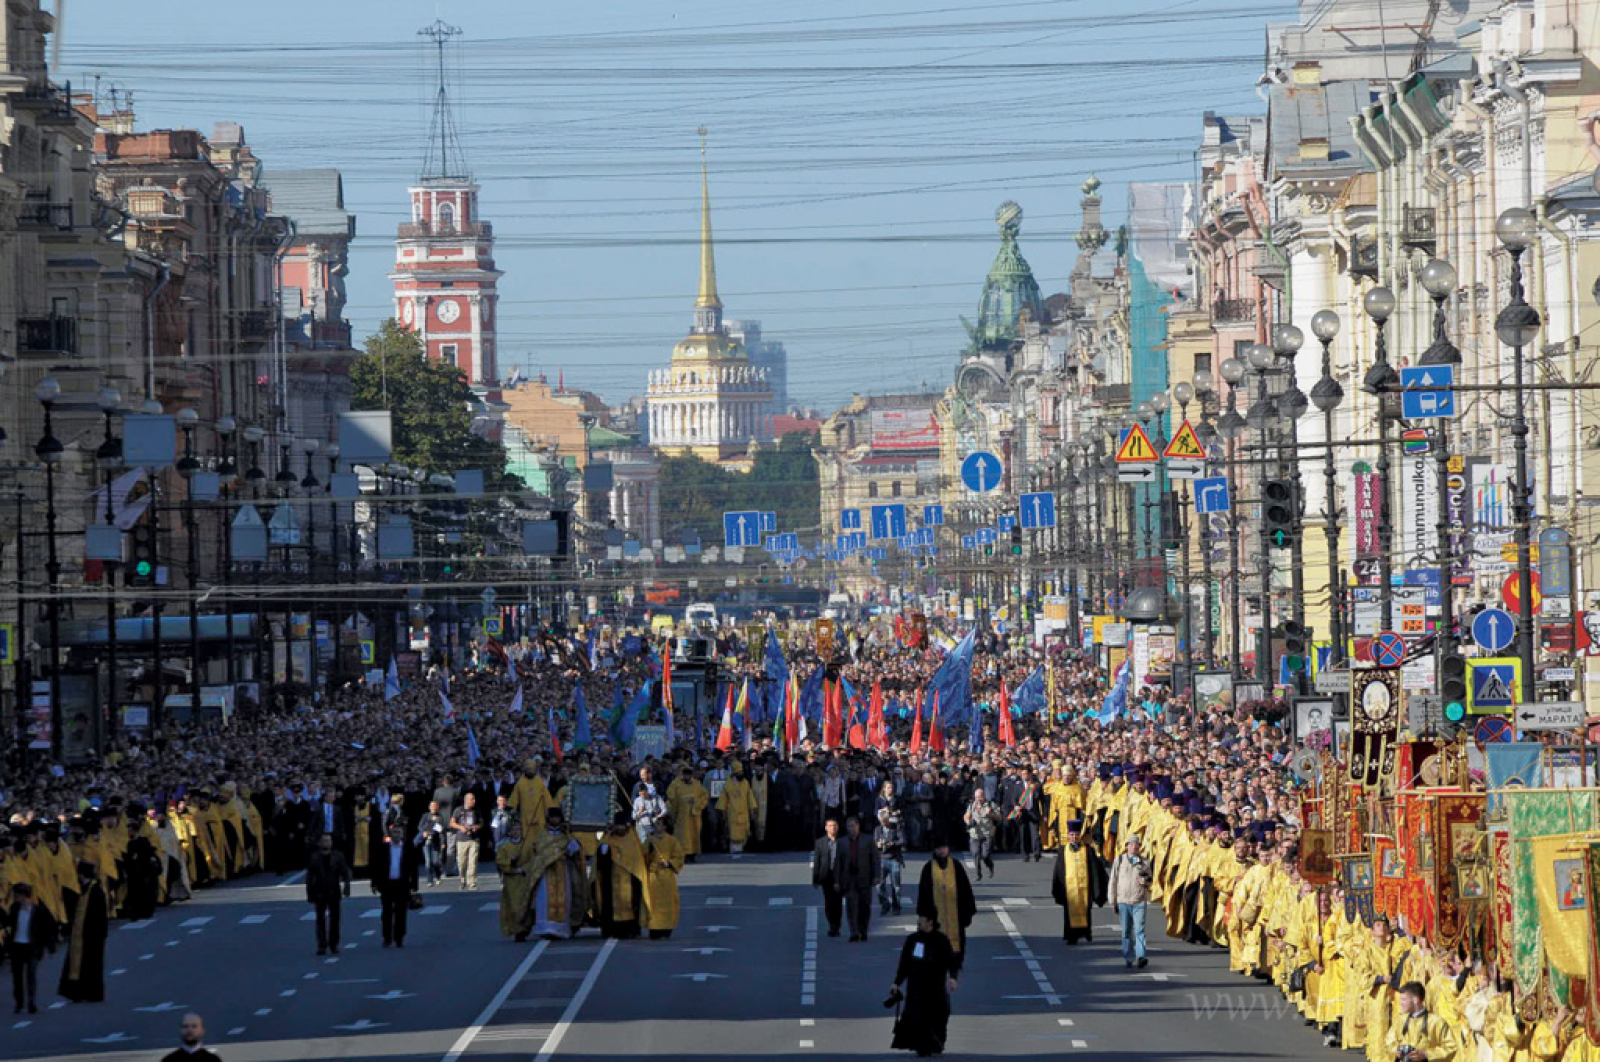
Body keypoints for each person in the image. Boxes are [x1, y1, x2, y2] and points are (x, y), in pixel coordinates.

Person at [889, 912, 959, 1058]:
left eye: (922, 919)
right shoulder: (913, 940)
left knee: (940, 1014)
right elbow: (904, 963)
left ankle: (938, 1041)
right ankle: (922, 1045)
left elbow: (951, 960)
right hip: (916, 986)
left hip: (936, 986)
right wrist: (897, 982)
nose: (919, 922)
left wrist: (952, 977)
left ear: (930, 922)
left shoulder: (941, 940)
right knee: (918, 1016)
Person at [916, 836, 975, 966]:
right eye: (939, 848)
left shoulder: (956, 866)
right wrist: (923, 914)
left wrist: (967, 912)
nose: (942, 851)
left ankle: (954, 969)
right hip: (935, 917)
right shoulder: (928, 868)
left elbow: (965, 890)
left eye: (944, 848)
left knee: (956, 948)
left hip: (955, 915)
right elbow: (923, 893)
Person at [1051, 819, 1107, 944]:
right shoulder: (1063, 851)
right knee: (1069, 912)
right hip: (1069, 888)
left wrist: (1097, 888)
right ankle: (1071, 936)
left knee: (1086, 911)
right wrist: (1058, 888)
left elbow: (1094, 870)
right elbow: (1059, 870)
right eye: (1072, 835)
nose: (1074, 837)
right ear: (1068, 836)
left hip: (1084, 887)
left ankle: (1086, 933)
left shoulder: (1087, 850)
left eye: (1076, 835)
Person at [59, 859, 108, 1003]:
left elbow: (100, 917)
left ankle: (93, 993)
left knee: (91, 965)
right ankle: (77, 992)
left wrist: (99, 935)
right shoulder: (83, 890)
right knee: (79, 964)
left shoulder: (96, 891)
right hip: (80, 935)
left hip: (92, 936)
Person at [371, 803, 419, 949]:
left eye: (399, 832)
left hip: (402, 884)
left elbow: (413, 868)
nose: (397, 835)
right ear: (391, 834)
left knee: (400, 912)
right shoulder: (384, 848)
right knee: (386, 912)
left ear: (402, 834)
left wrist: (414, 885)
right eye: (395, 832)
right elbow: (377, 867)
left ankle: (399, 937)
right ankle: (387, 937)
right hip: (386, 884)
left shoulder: (407, 849)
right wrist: (374, 883)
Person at [595, 810, 647, 939]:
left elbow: (637, 860)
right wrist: (603, 851)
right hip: (611, 878)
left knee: (631, 902)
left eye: (622, 825)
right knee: (609, 903)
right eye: (617, 825)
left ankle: (630, 929)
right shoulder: (608, 839)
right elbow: (600, 863)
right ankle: (610, 929)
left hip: (629, 878)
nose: (620, 828)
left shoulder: (632, 840)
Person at [1108, 834, 1153, 969]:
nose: (1134, 846)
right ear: (1127, 846)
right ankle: (1128, 956)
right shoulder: (1120, 860)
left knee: (1140, 930)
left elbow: (1150, 880)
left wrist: (1145, 882)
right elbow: (1113, 880)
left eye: (1136, 844)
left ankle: (1141, 957)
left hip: (1139, 901)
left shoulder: (1144, 862)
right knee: (1126, 931)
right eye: (1131, 844)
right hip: (1123, 901)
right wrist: (1112, 899)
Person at [305, 832, 352, 956]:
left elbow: (345, 873)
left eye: (328, 841)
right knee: (320, 920)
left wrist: (346, 888)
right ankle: (321, 944)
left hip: (334, 891)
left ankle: (334, 944)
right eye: (324, 841)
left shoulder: (338, 856)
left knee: (335, 920)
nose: (326, 843)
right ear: (319, 843)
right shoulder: (314, 858)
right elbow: (310, 877)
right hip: (319, 892)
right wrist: (310, 893)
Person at [1385, 981, 1455, 1061]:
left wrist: (1426, 1054)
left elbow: (1451, 1047)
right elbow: (1389, 1041)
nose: (1401, 1003)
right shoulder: (1401, 1020)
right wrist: (1396, 1050)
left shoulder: (1436, 1022)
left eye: (1404, 999)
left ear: (1416, 999)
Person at [6, 883, 47, 1014]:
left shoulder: (37, 910)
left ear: (24, 896)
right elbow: (8, 922)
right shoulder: (14, 909)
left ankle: (31, 1002)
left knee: (31, 975)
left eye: (17, 896)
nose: (16, 899)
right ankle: (19, 1002)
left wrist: (43, 947)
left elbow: (42, 930)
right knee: (17, 977)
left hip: (31, 947)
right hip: (17, 946)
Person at [839, 815, 880, 942]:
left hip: (864, 878)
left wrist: (876, 875)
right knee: (851, 906)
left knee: (864, 906)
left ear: (858, 826)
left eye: (853, 825)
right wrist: (837, 880)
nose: (851, 828)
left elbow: (875, 859)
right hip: (849, 878)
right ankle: (854, 932)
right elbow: (838, 863)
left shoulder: (867, 840)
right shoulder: (842, 842)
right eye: (848, 826)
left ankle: (863, 930)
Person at [644, 818, 685, 939]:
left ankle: (667, 928)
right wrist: (649, 849)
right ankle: (654, 927)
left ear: (665, 827)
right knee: (653, 902)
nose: (657, 826)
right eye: (655, 824)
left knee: (668, 902)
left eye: (659, 824)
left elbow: (679, 856)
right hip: (653, 875)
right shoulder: (650, 840)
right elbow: (643, 856)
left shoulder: (672, 841)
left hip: (667, 876)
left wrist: (670, 863)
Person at [666, 767, 709, 863]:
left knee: (694, 835)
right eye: (684, 774)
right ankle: (683, 855)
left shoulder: (697, 784)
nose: (686, 777)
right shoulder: (676, 784)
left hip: (694, 815)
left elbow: (704, 796)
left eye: (688, 775)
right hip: (682, 816)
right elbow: (670, 795)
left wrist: (697, 803)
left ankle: (693, 854)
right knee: (682, 836)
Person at [812, 817, 845, 938]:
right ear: (826, 828)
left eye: (835, 825)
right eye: (830, 826)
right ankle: (832, 924)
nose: (833, 828)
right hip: (827, 876)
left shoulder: (843, 842)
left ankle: (836, 926)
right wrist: (815, 879)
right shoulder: (820, 843)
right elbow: (817, 862)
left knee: (838, 902)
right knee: (829, 902)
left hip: (840, 876)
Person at [876, 781, 905, 915]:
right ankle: (884, 904)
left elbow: (903, 840)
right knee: (879, 885)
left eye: (885, 819)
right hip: (881, 859)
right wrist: (878, 844)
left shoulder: (896, 827)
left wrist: (892, 843)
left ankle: (896, 906)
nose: (883, 821)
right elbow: (874, 843)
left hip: (894, 858)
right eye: (882, 819)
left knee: (896, 886)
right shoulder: (877, 829)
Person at [716, 762, 758, 853]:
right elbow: (723, 797)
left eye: (741, 771)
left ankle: (742, 847)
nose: (741, 773)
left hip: (744, 811)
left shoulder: (745, 783)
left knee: (744, 829)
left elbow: (749, 796)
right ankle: (734, 849)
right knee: (733, 830)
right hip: (732, 812)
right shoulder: (728, 783)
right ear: (734, 773)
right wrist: (722, 810)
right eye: (739, 772)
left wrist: (753, 808)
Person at [961, 787, 999, 880]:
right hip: (975, 834)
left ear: (984, 796)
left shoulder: (991, 804)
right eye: (977, 797)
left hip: (987, 833)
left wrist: (990, 814)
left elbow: (999, 817)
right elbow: (966, 816)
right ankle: (978, 874)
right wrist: (969, 822)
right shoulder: (972, 805)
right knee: (976, 853)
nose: (978, 799)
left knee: (985, 855)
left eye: (980, 797)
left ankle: (990, 866)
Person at [449, 792, 482, 891]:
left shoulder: (477, 810)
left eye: (474, 799)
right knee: (462, 861)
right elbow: (452, 823)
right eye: (472, 799)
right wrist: (460, 827)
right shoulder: (458, 810)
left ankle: (472, 882)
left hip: (474, 839)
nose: (474, 801)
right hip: (462, 839)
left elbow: (481, 823)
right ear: (466, 800)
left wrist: (476, 827)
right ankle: (463, 879)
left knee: (473, 861)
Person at [416, 801, 447, 887]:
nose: (433, 808)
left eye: (435, 807)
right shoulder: (425, 816)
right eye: (432, 806)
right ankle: (429, 880)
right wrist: (424, 832)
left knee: (436, 861)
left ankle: (438, 876)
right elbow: (420, 826)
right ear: (429, 807)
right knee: (428, 862)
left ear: (438, 808)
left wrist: (443, 842)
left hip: (435, 842)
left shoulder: (440, 817)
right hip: (426, 842)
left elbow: (441, 831)